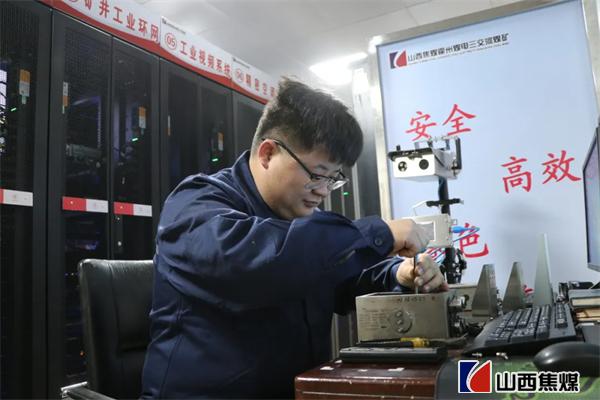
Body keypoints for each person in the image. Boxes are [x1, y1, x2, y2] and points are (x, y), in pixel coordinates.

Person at [141, 78, 447, 399]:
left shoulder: (300, 223)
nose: (324, 191)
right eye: (317, 174)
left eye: (333, 179)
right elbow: (259, 264)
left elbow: (336, 276)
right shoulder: (195, 204)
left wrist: (397, 273)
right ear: (268, 153)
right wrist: (379, 233)